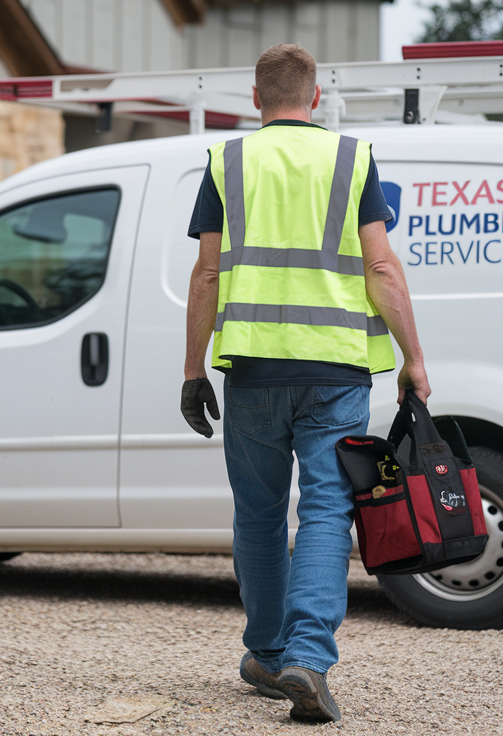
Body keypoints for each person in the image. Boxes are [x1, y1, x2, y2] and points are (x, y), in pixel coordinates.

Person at [180, 43, 430, 724]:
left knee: (258, 515)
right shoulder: (351, 159)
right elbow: (382, 270)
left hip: (254, 371)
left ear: (255, 98)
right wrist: (414, 358)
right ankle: (309, 658)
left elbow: (206, 276)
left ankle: (265, 652)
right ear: (315, 98)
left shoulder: (226, 162)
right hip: (336, 372)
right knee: (326, 510)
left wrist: (192, 370)